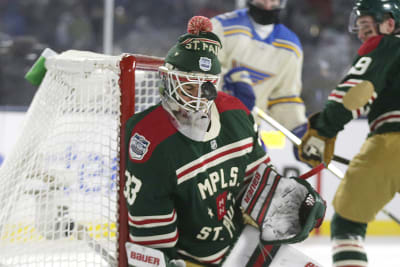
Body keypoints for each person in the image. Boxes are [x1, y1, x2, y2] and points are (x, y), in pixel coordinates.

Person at [124, 16, 325, 267]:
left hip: (241, 243)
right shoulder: (150, 137)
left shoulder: (235, 114)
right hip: (193, 261)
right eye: (188, 84)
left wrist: (288, 203)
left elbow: (256, 186)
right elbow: (153, 237)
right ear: (170, 79)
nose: (196, 96)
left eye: (203, 85)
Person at [298, 0, 400, 266]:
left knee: (347, 224)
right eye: (359, 28)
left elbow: (356, 94)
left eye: (367, 25)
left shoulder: (387, 45)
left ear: (390, 24)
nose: (362, 33)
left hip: (392, 143)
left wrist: (323, 130)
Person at [211, 0, 308, 145]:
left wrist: (299, 130)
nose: (267, 3)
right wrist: (226, 85)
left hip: (248, 130)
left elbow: (285, 97)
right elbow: (199, 72)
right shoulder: (221, 26)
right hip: (209, 122)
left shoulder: (291, 46)